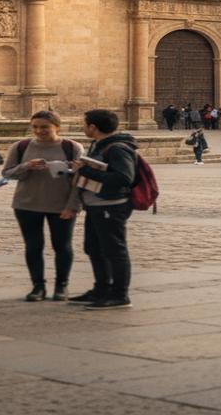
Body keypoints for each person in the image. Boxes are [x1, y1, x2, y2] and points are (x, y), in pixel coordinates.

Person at [2, 111, 83, 302]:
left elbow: (80, 180)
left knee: (62, 246)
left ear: (57, 127)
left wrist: (73, 206)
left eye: (44, 127)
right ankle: (37, 286)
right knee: (33, 246)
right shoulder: (20, 147)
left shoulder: (72, 147)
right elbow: (7, 174)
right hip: (26, 204)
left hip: (61, 206)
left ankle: (61, 286)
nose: (39, 131)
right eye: (35, 127)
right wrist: (26, 166)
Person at [70, 109, 137, 309]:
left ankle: (119, 294)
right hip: (95, 204)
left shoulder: (117, 148)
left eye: (85, 124)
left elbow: (124, 178)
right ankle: (101, 289)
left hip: (111, 205)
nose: (83, 127)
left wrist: (84, 169)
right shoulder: (99, 144)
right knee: (93, 248)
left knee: (114, 250)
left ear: (93, 127)